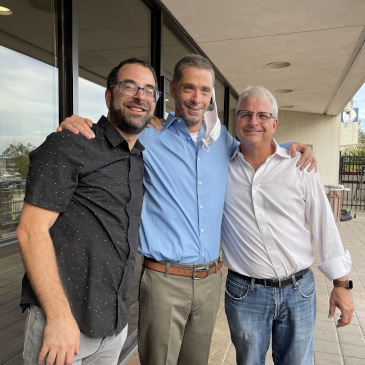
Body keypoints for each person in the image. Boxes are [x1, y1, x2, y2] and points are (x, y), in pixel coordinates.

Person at [59, 54, 316, 365]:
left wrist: (293, 146)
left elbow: (258, 148)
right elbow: (115, 126)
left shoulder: (223, 142)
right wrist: (80, 121)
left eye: (205, 90)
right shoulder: (148, 135)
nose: (197, 98)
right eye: (189, 88)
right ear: (173, 89)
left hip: (210, 282)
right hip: (163, 280)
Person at [17, 58, 160, 365]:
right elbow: (31, 231)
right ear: (109, 96)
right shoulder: (70, 144)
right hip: (64, 326)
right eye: (129, 86)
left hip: (112, 326)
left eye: (149, 91)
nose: (140, 96)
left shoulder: (137, 158)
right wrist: (57, 318)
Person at [221, 86, 354, 365]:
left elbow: (324, 225)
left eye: (262, 115)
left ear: (275, 123)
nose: (253, 121)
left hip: (299, 291)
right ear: (235, 120)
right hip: (245, 293)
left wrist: (341, 284)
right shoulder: (220, 167)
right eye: (245, 114)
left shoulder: (300, 165)